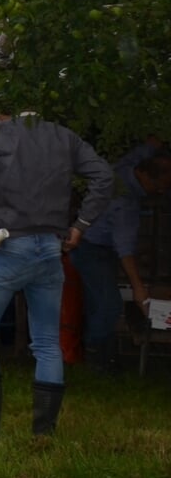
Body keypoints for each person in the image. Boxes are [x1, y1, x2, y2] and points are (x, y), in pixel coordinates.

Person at [0, 112, 113, 443]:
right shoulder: (65, 136)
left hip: (8, 244)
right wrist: (81, 225)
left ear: (4, 111)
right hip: (51, 248)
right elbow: (104, 175)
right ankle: (44, 432)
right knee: (46, 342)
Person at [72, 141, 171, 371]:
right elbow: (125, 251)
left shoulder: (128, 166)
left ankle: (101, 353)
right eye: (160, 187)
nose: (161, 192)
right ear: (147, 177)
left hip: (95, 244)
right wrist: (139, 289)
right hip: (90, 249)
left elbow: (143, 148)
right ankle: (97, 360)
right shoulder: (125, 204)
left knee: (98, 302)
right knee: (109, 304)